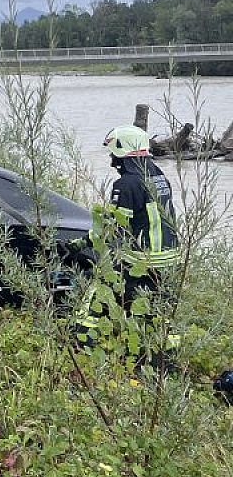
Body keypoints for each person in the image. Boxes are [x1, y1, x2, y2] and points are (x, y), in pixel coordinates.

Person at [75, 125, 180, 358]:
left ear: (122, 153)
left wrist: (84, 243)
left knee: (96, 295)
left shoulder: (126, 185)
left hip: (142, 259)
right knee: (161, 311)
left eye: (113, 154)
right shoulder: (160, 177)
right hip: (170, 258)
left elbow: (115, 227)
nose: (112, 161)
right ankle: (167, 361)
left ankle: (82, 347)